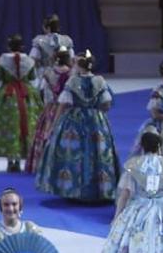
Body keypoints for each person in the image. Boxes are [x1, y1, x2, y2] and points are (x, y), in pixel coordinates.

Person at [36, 52, 118, 202]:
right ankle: (98, 189)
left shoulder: (73, 81)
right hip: (96, 120)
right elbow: (106, 103)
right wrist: (98, 113)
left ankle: (74, 190)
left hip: (75, 121)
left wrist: (54, 125)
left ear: (79, 66)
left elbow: (63, 104)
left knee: (74, 154)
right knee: (97, 153)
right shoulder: (100, 81)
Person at [0, 35, 37, 171]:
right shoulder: (29, 61)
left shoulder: (3, 60)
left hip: (7, 97)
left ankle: (11, 160)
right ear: (22, 46)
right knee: (25, 124)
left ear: (9, 46)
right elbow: (33, 81)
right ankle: (23, 156)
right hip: (26, 95)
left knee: (10, 127)